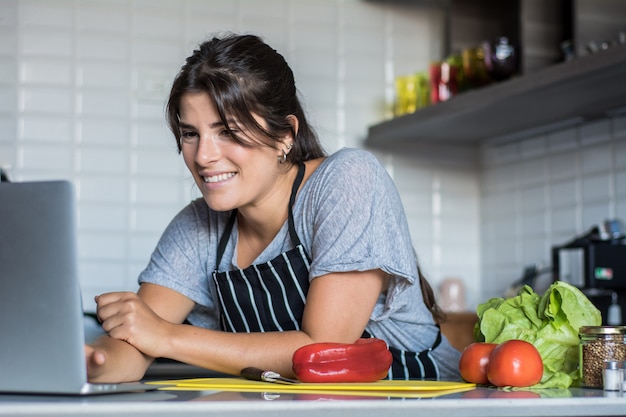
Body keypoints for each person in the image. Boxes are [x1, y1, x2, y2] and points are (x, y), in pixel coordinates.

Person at [85, 33, 461, 383]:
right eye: (190, 134)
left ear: (285, 135)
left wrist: (166, 337)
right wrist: (91, 360)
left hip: (418, 398)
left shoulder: (347, 181)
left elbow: (323, 350)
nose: (203, 156)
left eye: (228, 132)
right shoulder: (198, 226)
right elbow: (134, 344)